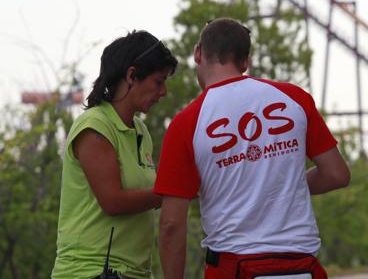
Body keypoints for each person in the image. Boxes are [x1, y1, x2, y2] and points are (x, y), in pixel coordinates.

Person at [154, 18, 350, 279]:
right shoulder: (294, 99)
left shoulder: (187, 123)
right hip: (301, 266)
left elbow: (171, 224)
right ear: (245, 62)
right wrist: (281, 186)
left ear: (198, 53)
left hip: (232, 267)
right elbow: (337, 174)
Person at [52, 30, 178, 279]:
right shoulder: (95, 126)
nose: (163, 92)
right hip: (90, 271)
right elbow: (113, 201)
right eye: (158, 81)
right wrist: (175, 191)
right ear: (131, 75)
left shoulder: (140, 130)